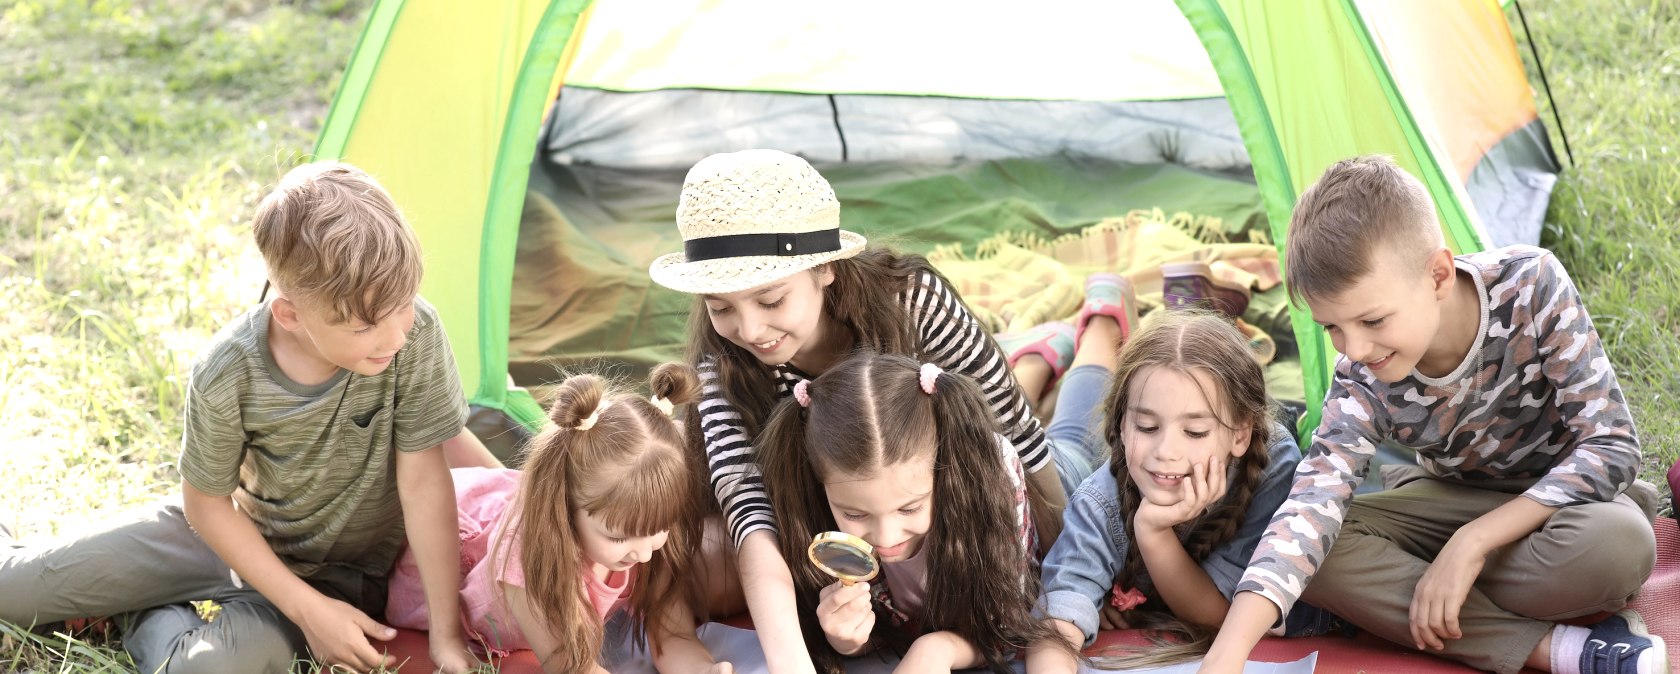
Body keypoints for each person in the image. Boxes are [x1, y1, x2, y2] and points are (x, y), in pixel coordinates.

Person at [0, 161, 502, 673]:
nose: (396, 336)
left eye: (404, 305)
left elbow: (425, 483)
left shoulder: (415, 336)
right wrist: (309, 613)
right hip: (221, 536)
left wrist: (444, 636)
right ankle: (118, 585)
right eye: (365, 326)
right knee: (8, 592)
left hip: (326, 581)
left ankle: (143, 611)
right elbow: (206, 504)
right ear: (290, 314)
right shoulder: (227, 371)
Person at [647, 149, 1128, 672]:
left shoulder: (912, 302)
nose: (751, 331)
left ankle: (1099, 325)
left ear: (825, 268)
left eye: (770, 301)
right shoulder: (722, 362)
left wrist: (1073, 567)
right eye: (721, 309)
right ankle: (1036, 352)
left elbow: (1017, 432)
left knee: (1076, 446)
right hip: (902, 520)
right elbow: (749, 516)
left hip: (992, 478)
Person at [1200, 156, 1664, 674]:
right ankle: (1565, 650)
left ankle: (1409, 595)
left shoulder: (1531, 285)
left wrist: (1472, 544)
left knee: (1618, 548)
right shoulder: (1361, 375)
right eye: (1331, 327)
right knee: (1313, 557)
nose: (1353, 347)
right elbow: (1311, 504)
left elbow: (1613, 446)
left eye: (1372, 319)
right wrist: (1225, 658)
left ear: (1438, 275)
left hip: (1565, 511)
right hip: (1447, 504)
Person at [1025, 310, 1333, 672]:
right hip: (1075, 471)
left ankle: (1100, 322)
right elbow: (1057, 621)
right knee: (1062, 443)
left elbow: (1222, 615)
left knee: (1069, 440)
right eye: (1147, 426)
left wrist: (1153, 532)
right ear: (1121, 426)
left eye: (1195, 432)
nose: (1166, 451)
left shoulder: (1271, 465)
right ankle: (1096, 325)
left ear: (1240, 435)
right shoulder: (1099, 499)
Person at [385, 365, 732, 674]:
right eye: (618, 538)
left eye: (658, 530)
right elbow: (570, 665)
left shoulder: (643, 528)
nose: (643, 553)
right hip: (442, 552)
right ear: (566, 509)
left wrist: (704, 668)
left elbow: (672, 635)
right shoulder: (528, 562)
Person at [756, 351, 1060, 674]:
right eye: (855, 515)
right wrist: (848, 640)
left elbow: (1011, 624)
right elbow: (878, 632)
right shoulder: (811, 511)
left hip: (1057, 476)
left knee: (1071, 424)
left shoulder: (991, 480)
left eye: (910, 508)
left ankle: (1048, 354)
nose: (886, 538)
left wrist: (939, 648)